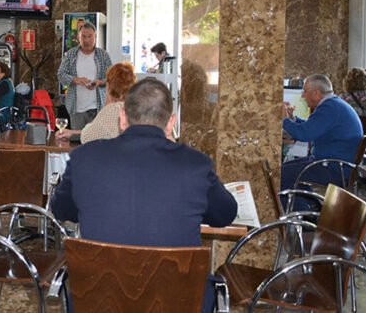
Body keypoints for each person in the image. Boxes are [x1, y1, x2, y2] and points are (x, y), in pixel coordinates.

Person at [51, 78, 237, 313]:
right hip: (176, 303)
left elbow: (61, 210)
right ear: (171, 123)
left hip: (99, 301)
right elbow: (226, 215)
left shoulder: (83, 159)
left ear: (122, 118)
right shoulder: (195, 165)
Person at [282, 74, 363, 210]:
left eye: (305, 91)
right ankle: (308, 208)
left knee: (281, 175)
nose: (302, 96)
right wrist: (292, 119)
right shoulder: (334, 104)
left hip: (333, 167)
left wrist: (284, 120)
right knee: (286, 169)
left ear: (316, 93)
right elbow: (311, 127)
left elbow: (304, 134)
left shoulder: (329, 108)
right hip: (338, 164)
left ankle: (303, 217)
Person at [56, 62, 137, 143]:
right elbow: (100, 130)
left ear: (109, 85)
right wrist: (72, 132)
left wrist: (108, 103)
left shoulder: (113, 109)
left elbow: (87, 137)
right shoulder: (135, 106)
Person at [56, 22, 112, 129]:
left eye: (90, 36)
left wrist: (99, 82)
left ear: (95, 37)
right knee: (77, 142)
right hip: (76, 108)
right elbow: (60, 74)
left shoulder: (103, 55)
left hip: (98, 107)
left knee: (96, 141)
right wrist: (75, 79)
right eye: (83, 36)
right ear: (78, 37)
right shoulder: (71, 54)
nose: (87, 40)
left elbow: (111, 77)